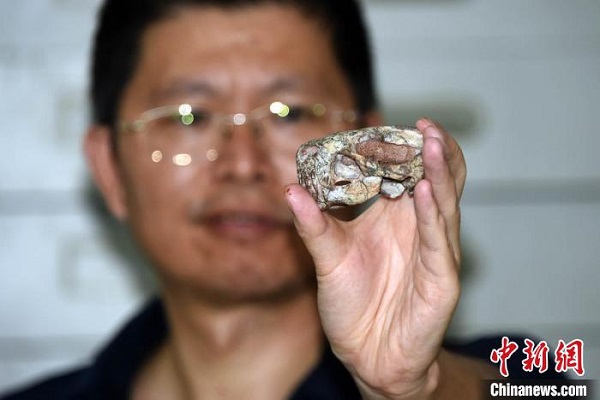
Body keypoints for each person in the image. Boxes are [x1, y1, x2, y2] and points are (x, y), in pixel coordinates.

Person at [1, 0, 561, 399]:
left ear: (368, 148)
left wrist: (419, 388)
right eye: (189, 117)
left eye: (289, 113)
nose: (243, 164)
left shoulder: (513, 373)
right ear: (109, 169)